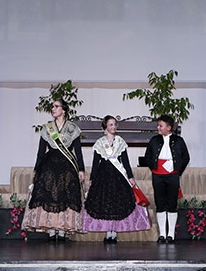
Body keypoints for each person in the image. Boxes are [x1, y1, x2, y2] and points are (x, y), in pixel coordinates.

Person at [21, 99, 85, 241]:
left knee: (65, 195)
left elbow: (78, 151)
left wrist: (81, 169)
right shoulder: (47, 128)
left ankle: (62, 230)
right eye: (52, 107)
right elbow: (41, 151)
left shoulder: (73, 128)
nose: (53, 109)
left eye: (56, 106)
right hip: (49, 164)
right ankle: (51, 229)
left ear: (64, 110)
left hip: (67, 165)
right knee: (48, 195)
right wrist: (37, 168)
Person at [83, 116, 151, 243]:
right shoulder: (100, 143)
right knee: (105, 204)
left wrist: (130, 176)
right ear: (105, 127)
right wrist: (92, 178)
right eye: (111, 124)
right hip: (103, 175)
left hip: (118, 176)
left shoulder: (120, 141)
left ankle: (114, 233)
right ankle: (108, 232)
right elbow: (95, 162)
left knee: (116, 203)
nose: (113, 127)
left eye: (115, 124)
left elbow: (125, 161)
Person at [144, 114, 190, 243]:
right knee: (160, 203)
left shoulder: (179, 141)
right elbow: (147, 156)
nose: (158, 128)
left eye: (161, 126)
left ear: (169, 127)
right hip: (157, 175)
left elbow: (186, 157)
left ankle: (171, 234)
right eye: (158, 125)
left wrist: (177, 170)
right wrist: (154, 167)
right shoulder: (154, 140)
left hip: (173, 175)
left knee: (172, 203)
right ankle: (162, 234)